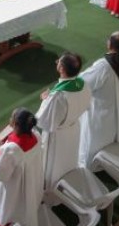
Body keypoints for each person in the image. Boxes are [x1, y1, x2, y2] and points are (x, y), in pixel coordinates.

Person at [79, 32, 119, 169]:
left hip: (102, 114)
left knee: (94, 142)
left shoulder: (104, 66)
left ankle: (90, 166)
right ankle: (108, 162)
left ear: (109, 45)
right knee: (113, 137)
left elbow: (82, 83)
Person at [35, 52, 91, 189]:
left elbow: (43, 121)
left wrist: (45, 99)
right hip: (74, 128)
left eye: (58, 62)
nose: (57, 63)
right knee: (69, 158)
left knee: (53, 165)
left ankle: (51, 191)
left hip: (57, 137)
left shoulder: (58, 96)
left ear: (62, 69)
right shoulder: (83, 84)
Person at [0, 108, 43, 226]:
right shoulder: (37, 136)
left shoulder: (11, 149)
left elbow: (1, 173)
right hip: (30, 184)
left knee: (6, 211)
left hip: (13, 190)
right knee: (23, 208)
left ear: (16, 125)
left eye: (11, 119)